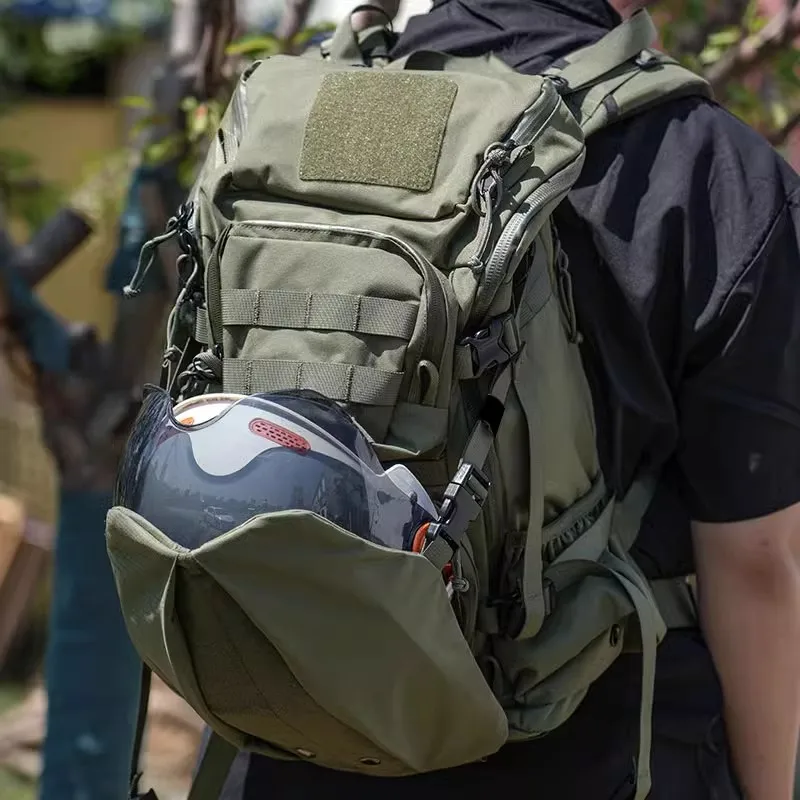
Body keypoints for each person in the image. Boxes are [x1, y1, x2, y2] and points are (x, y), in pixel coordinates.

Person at [205, 1, 800, 799]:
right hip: (592, 751)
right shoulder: (704, 166)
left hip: (305, 732)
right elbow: (758, 564)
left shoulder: (303, 114)